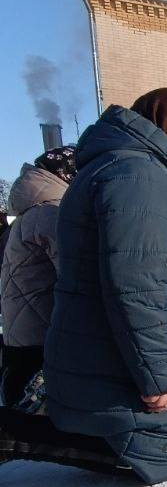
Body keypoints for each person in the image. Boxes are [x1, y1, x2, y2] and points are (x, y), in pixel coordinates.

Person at [1, 89, 167, 484]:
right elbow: (135, 285)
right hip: (108, 350)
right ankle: (16, 434)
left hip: (104, 347)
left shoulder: (135, 169)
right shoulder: (140, 177)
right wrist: (158, 376)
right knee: (164, 452)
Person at [0, 147, 77, 407]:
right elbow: (77, 277)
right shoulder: (50, 214)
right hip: (41, 341)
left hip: (21, 338)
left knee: (23, 417)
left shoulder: (30, 214)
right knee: (42, 423)